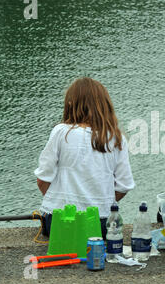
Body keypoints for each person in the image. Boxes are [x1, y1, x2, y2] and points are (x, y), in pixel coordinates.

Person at [34, 77, 135, 240]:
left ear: (70, 104)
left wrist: (57, 202)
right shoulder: (116, 138)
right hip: (100, 222)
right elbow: (124, 185)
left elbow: (42, 179)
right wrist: (100, 202)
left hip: (60, 221)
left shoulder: (61, 132)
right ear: (105, 105)